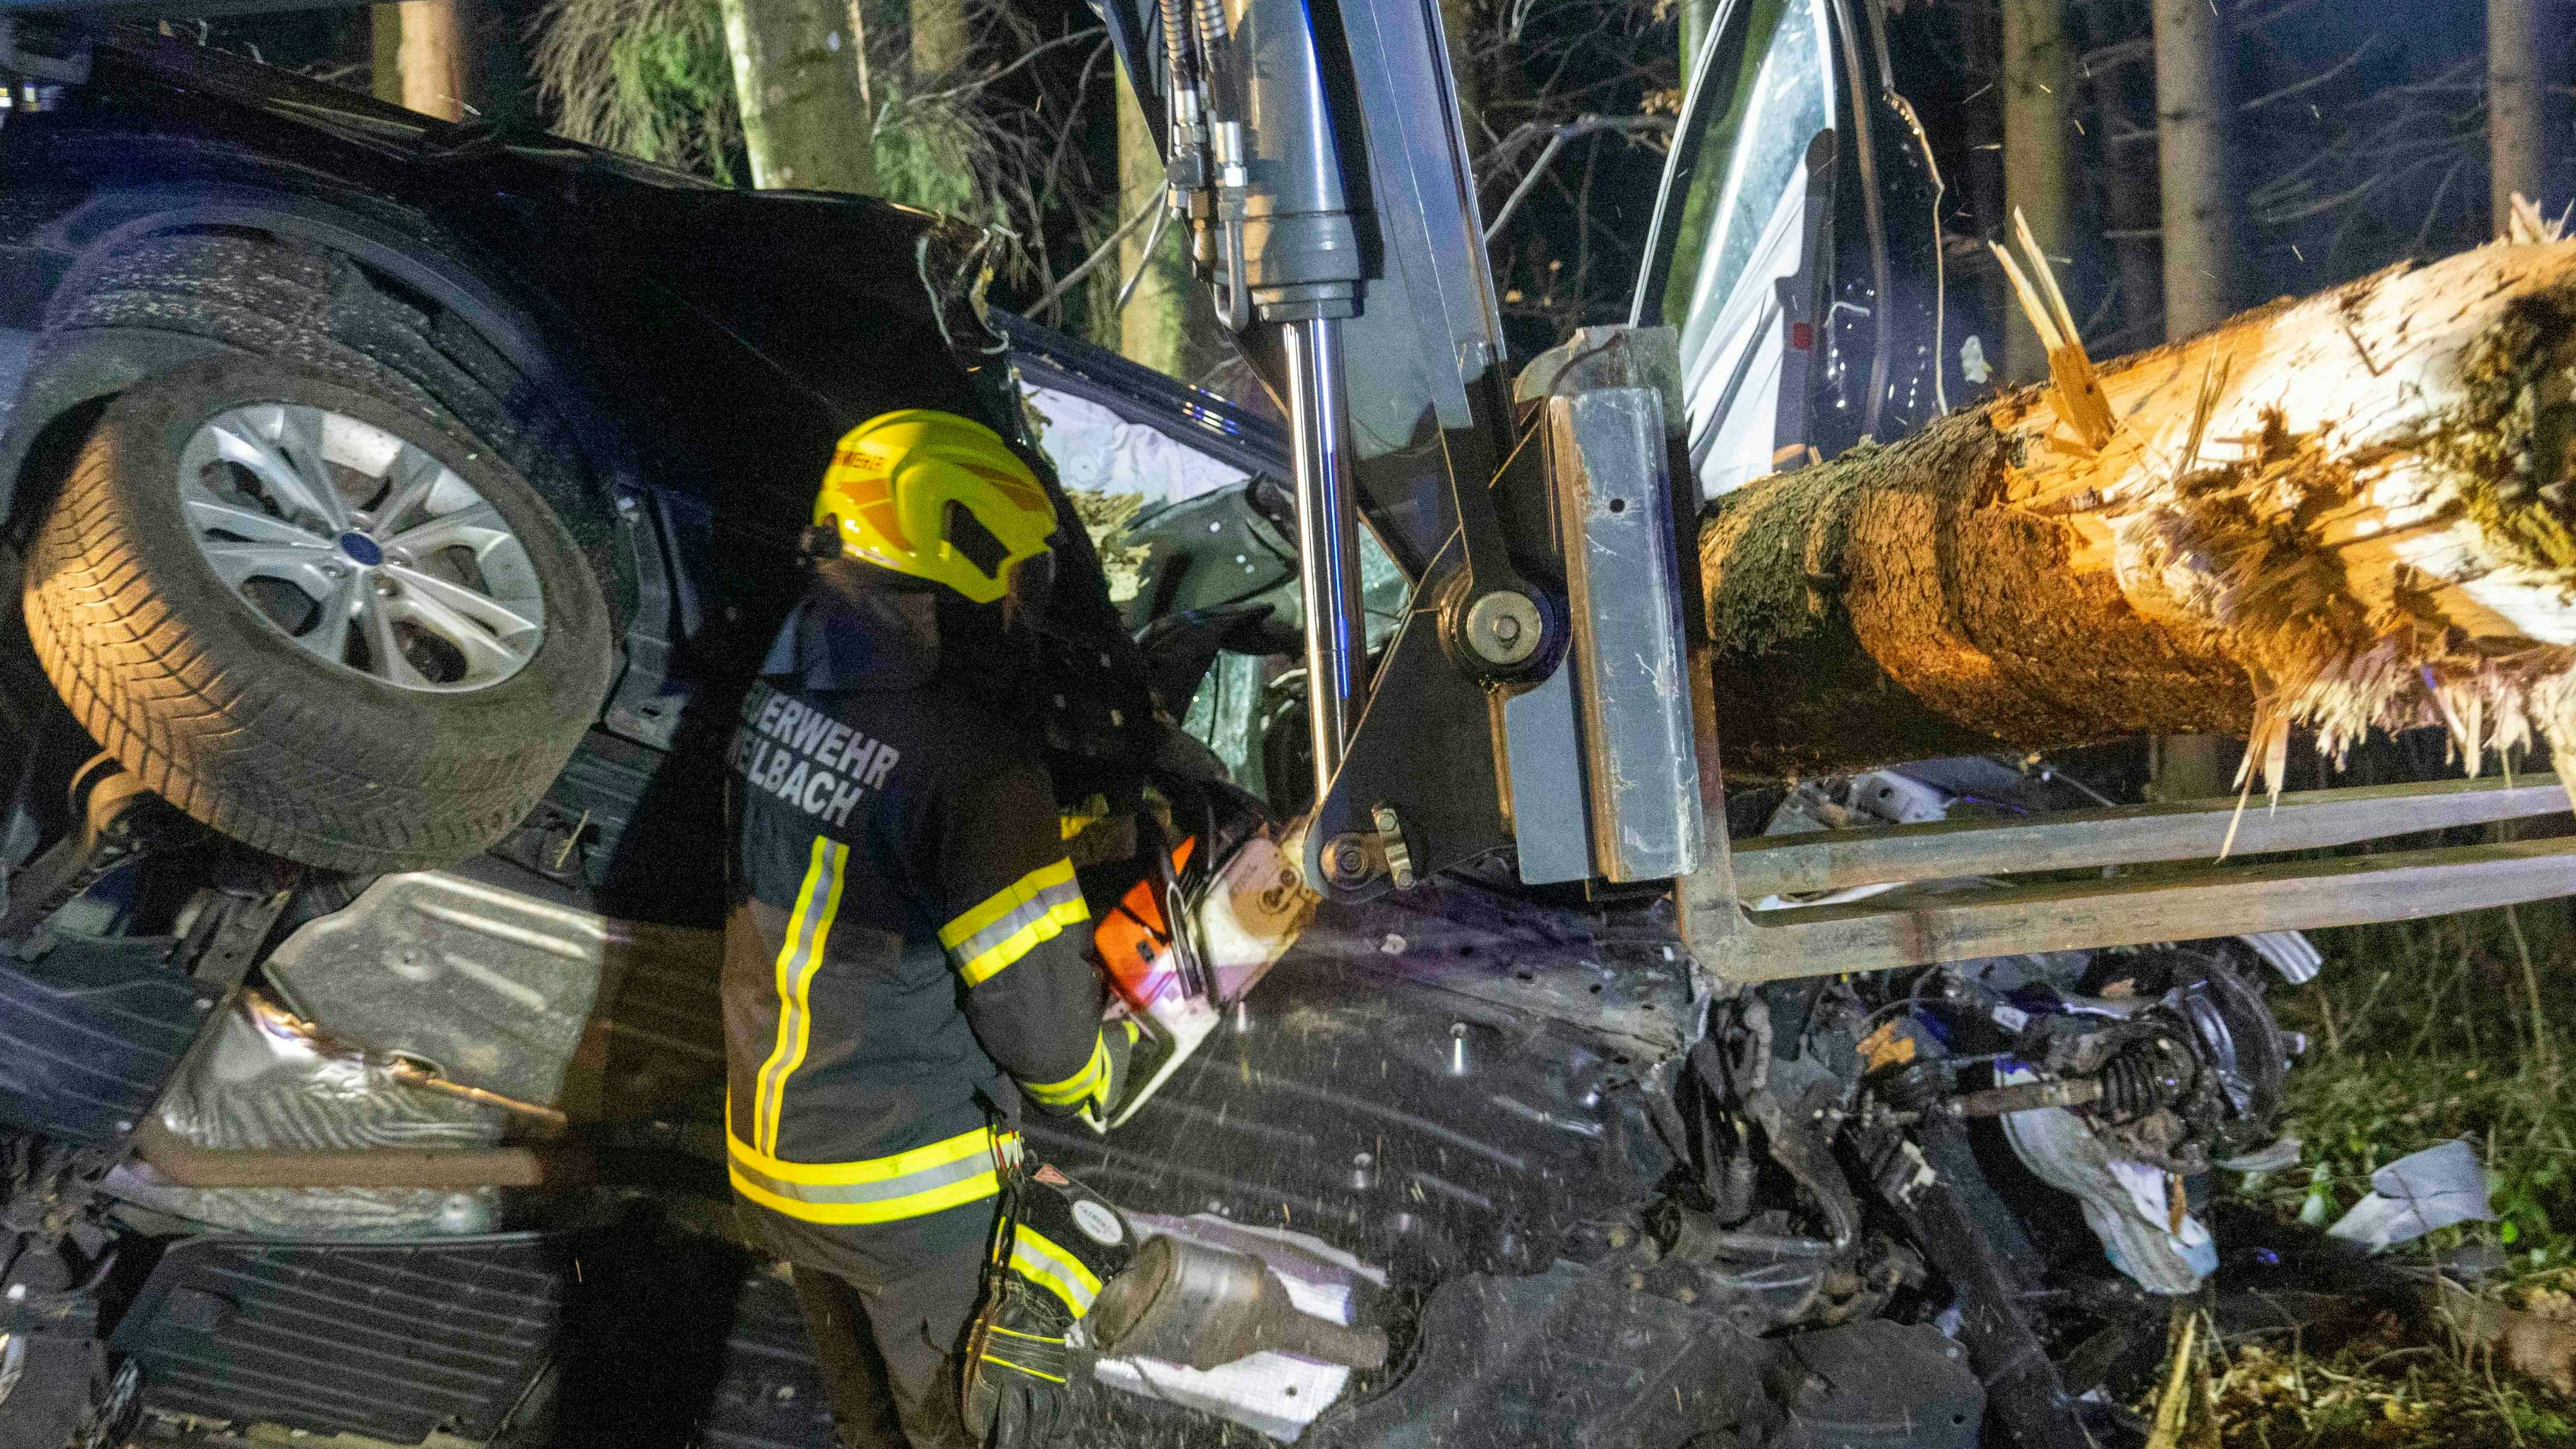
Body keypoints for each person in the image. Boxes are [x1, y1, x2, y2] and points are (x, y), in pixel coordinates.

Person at [723, 408, 1135, 1448]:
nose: (1021, 608)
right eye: (1021, 578)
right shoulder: (982, 765)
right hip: (905, 1191)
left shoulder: (783, 680)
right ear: (961, 559)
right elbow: (1051, 1045)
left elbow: (870, 839)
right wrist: (1112, 1055)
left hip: (778, 1164)